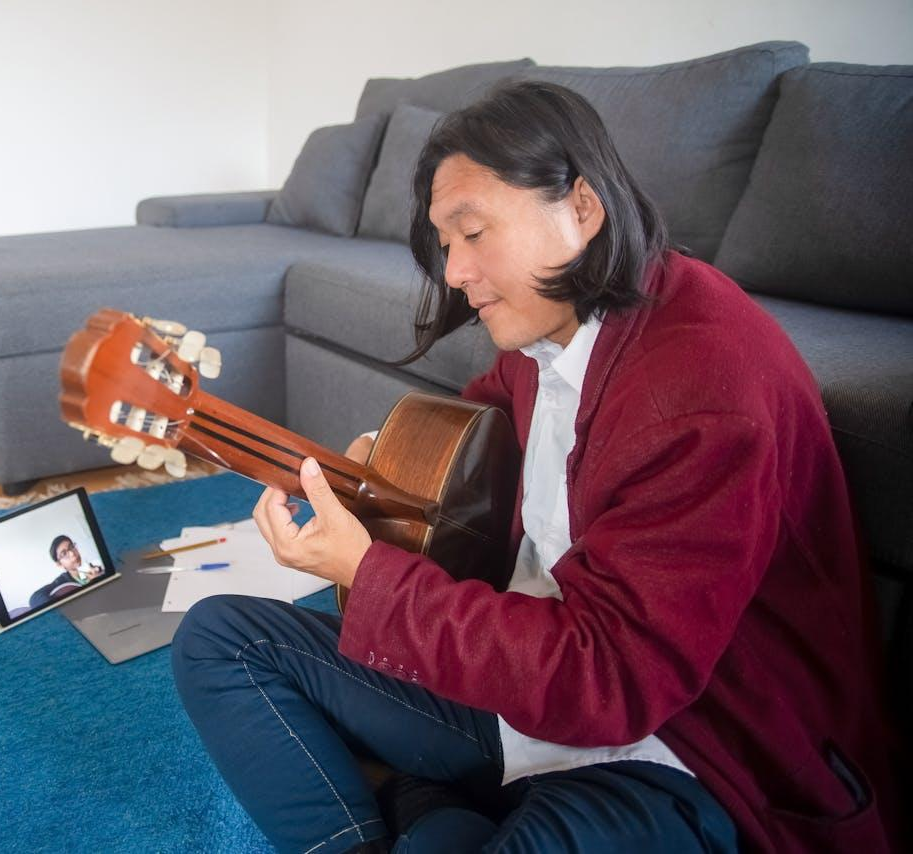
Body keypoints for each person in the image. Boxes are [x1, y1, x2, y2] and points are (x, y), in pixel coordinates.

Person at [171, 82, 900, 853]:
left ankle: (428, 805)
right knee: (219, 639)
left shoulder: (701, 390)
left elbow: (610, 681)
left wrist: (372, 573)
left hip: (678, 749)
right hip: (523, 686)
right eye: (443, 243)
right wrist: (376, 471)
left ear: (581, 210)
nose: (452, 272)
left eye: (473, 232)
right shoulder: (552, 327)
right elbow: (481, 429)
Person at [28, 534, 104, 609]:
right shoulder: (61, 583)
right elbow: (34, 599)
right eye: (64, 553)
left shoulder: (94, 567)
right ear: (60, 564)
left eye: (72, 547)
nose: (72, 553)